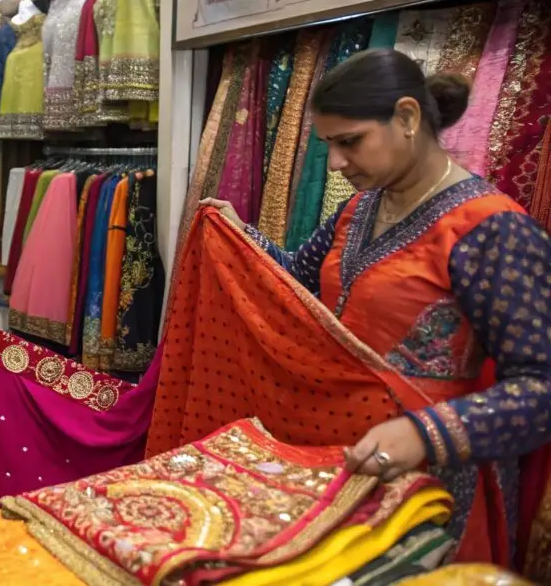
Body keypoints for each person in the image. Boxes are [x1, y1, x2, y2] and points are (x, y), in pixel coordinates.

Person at [204, 48, 551, 564]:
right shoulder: (360, 208)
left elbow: (540, 388)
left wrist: (425, 433)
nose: (338, 163)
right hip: (340, 457)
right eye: (329, 146)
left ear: (408, 117)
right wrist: (235, 234)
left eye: (350, 142)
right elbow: (297, 282)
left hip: (433, 479)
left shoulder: (491, 230)